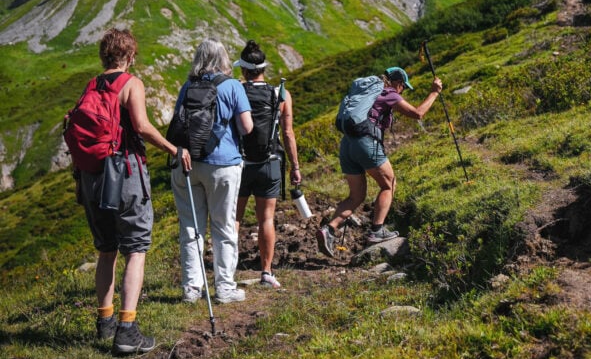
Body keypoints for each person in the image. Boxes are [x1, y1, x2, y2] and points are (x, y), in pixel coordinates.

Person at [77, 27, 191, 356]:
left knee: (106, 249)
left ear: (104, 55)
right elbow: (140, 126)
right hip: (124, 173)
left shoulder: (91, 85)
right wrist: (174, 150)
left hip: (91, 177)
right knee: (136, 249)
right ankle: (127, 330)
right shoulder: (131, 84)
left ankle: (105, 321)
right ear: (129, 56)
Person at [316, 66, 442, 258]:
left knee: (356, 196)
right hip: (365, 142)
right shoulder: (388, 93)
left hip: (347, 144)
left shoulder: (366, 93)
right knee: (388, 184)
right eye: (403, 87)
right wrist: (434, 92)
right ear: (398, 83)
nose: (402, 91)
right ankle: (377, 231)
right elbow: (418, 113)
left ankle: (329, 230)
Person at [171, 38, 253, 304]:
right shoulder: (233, 86)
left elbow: (178, 121)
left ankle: (191, 288)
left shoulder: (188, 86)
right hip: (223, 165)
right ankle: (225, 288)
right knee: (223, 226)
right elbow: (246, 127)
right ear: (223, 59)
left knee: (190, 227)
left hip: (188, 164)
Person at [234, 40, 302, 289]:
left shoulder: (236, 91)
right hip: (270, 163)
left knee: (234, 218)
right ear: (264, 68)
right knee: (266, 219)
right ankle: (266, 272)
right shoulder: (280, 94)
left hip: (240, 163)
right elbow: (288, 133)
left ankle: (226, 273)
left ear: (244, 70)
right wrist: (295, 166)